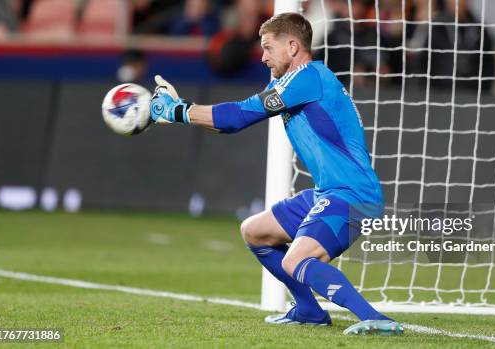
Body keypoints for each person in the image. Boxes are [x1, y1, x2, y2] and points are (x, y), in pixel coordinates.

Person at [148, 12, 403, 335]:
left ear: (294, 47)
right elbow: (231, 122)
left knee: (294, 261)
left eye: (269, 48)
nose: (264, 57)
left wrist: (179, 111)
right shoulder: (291, 82)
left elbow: (237, 117)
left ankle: (375, 318)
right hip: (329, 192)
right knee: (255, 231)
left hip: (353, 195)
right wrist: (183, 110)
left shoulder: (308, 79)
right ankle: (308, 310)